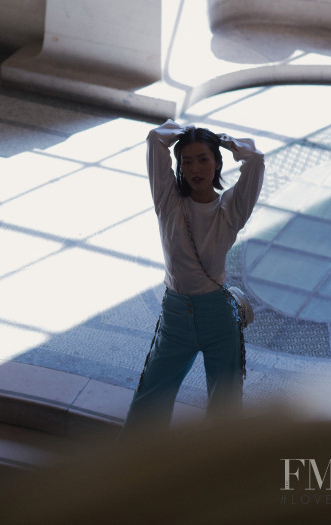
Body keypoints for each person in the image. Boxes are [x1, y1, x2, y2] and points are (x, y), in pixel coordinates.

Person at [123, 119, 264, 431]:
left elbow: (255, 160)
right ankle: (135, 468)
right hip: (176, 315)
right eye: (187, 161)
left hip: (219, 316)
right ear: (180, 167)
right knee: (150, 399)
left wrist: (222, 139)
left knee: (224, 405)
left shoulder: (231, 209)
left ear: (217, 163)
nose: (195, 168)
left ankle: (218, 473)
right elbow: (155, 139)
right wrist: (186, 130)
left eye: (204, 159)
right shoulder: (168, 201)